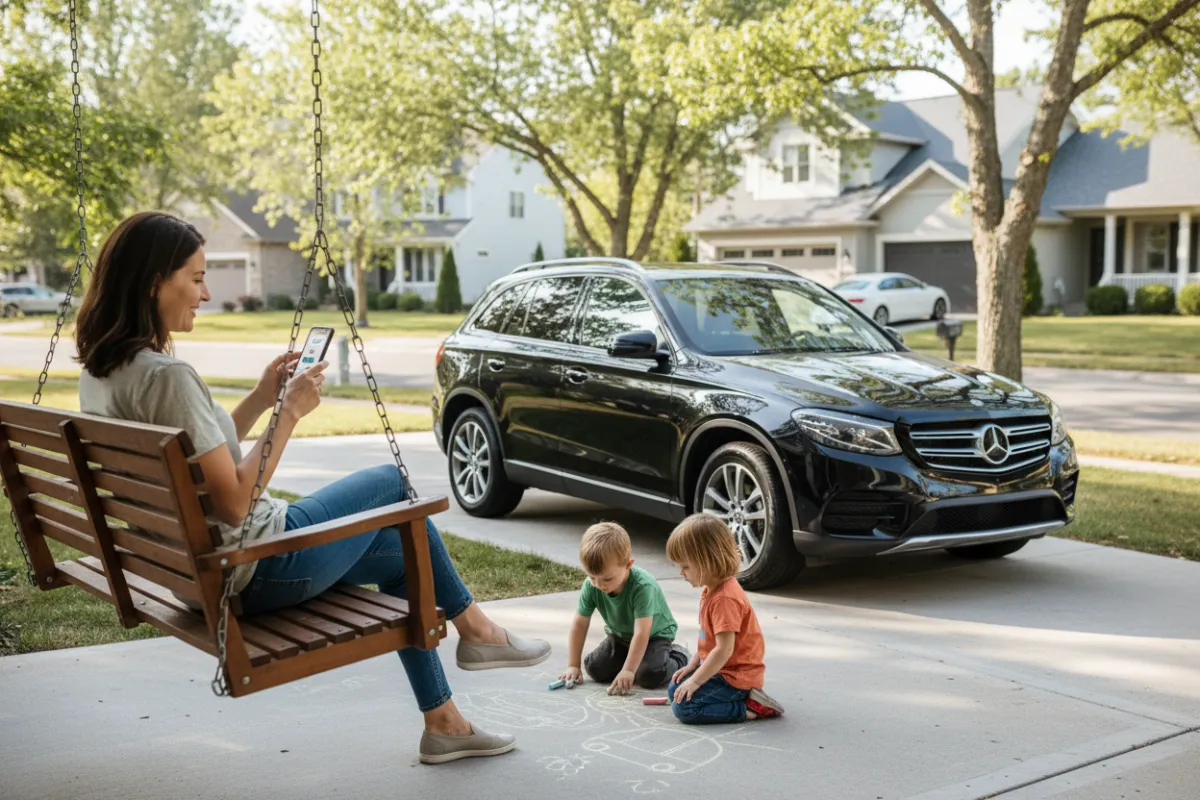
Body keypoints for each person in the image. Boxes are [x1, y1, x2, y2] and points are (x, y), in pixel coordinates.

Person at [73, 211, 550, 764]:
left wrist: (262, 396)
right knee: (392, 484)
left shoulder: (106, 372)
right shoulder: (167, 377)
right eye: (197, 278)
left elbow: (200, 463)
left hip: (190, 572)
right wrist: (289, 415)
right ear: (156, 280)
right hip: (256, 569)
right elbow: (231, 502)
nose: (205, 293)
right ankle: (479, 631)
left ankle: (445, 721)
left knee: (404, 558)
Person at [664, 514, 784, 724]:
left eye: (686, 566)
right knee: (675, 688)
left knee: (684, 708)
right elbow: (707, 641)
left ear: (707, 561)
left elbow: (723, 650)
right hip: (720, 669)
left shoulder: (725, 599)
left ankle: (749, 707)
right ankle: (726, 698)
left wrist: (695, 682)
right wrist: (693, 666)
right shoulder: (710, 589)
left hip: (736, 678)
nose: (682, 573)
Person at [559, 522, 688, 694]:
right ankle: (631, 659)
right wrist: (573, 665)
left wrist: (628, 670)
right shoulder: (592, 586)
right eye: (592, 577)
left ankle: (680, 656)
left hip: (654, 637)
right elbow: (580, 623)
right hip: (620, 637)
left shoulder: (642, 586)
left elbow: (642, 632)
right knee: (595, 669)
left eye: (607, 579)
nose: (599, 585)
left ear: (628, 565)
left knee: (649, 676)